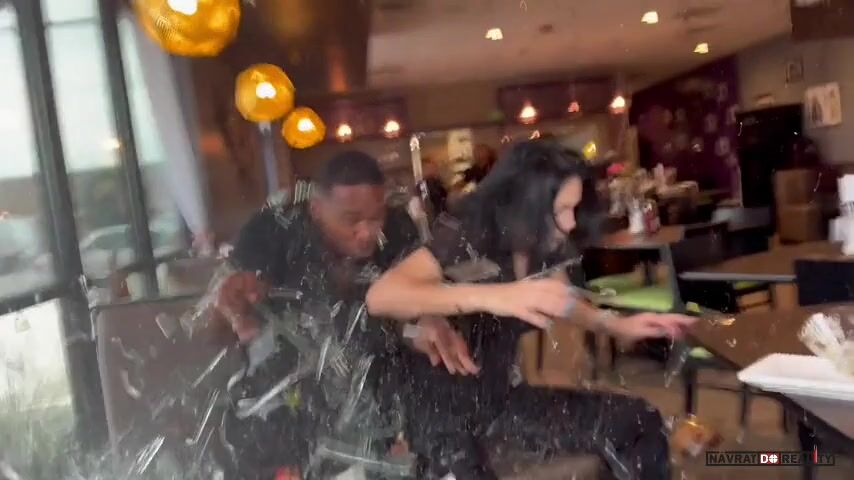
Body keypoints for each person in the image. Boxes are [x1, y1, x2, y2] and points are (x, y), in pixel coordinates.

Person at [366, 140, 696, 479]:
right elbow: (382, 295)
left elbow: (563, 299)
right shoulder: (470, 232)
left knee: (638, 420)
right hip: (442, 419)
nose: (570, 222)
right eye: (561, 210)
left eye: (574, 209)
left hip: (499, 401)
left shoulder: (542, 244)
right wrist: (496, 296)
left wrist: (617, 325)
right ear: (525, 205)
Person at [207, 150, 441, 479]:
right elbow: (222, 312)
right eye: (351, 220)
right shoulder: (274, 231)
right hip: (288, 385)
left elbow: (417, 304)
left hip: (376, 379)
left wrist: (426, 323)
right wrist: (238, 308)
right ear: (316, 209)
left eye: (375, 218)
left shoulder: (398, 229)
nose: (366, 232)